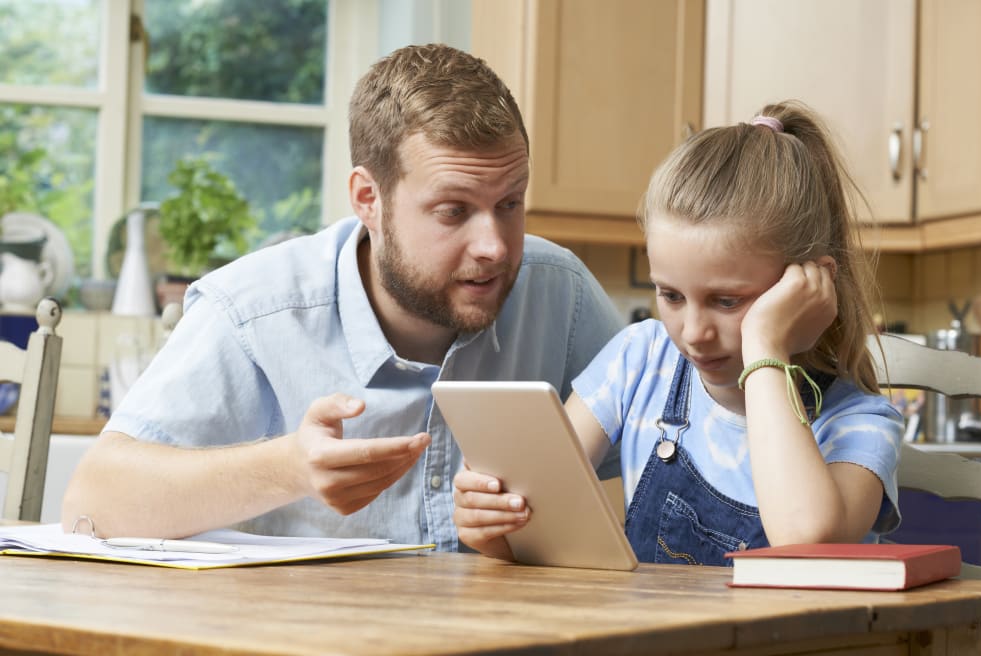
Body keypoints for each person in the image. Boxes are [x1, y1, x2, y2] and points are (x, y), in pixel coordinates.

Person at [61, 43, 624, 551]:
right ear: (367, 199)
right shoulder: (254, 310)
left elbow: (659, 477)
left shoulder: (563, 294)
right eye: (453, 211)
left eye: (510, 203)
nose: (495, 247)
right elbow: (92, 501)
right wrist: (289, 468)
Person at [453, 101, 904, 565]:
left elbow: (803, 538)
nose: (693, 333)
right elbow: (536, 518)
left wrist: (765, 347)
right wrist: (492, 526)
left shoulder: (860, 423)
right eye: (670, 295)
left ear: (808, 286)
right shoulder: (639, 359)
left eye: (727, 301)